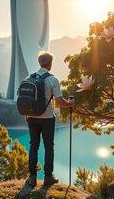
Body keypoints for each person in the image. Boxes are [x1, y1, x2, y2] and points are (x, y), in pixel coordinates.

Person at [25, 51, 75, 187]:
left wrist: (27, 114)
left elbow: (26, 98)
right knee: (48, 147)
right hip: (47, 118)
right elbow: (60, 102)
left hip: (31, 117)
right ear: (50, 64)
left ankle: (32, 178)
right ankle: (48, 177)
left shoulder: (29, 77)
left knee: (33, 145)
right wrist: (70, 104)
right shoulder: (53, 80)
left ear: (40, 63)